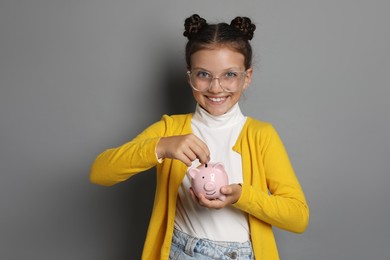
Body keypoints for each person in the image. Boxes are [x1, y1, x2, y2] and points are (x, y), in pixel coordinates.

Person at [90, 14, 309, 260]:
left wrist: (241, 195)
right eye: (204, 74)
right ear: (189, 76)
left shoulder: (261, 136)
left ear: (246, 77)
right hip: (179, 252)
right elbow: (100, 172)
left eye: (229, 75)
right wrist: (161, 147)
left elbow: (298, 217)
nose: (216, 87)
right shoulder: (170, 129)